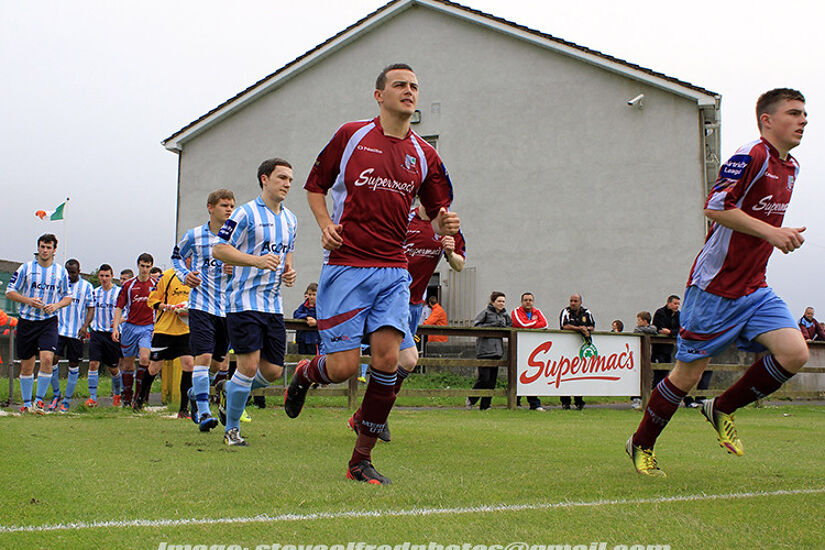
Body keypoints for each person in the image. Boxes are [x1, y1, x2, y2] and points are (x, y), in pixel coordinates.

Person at [285, 63, 459, 485]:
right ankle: (306, 372)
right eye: (400, 84)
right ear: (378, 95)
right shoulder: (351, 135)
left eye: (415, 86)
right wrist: (326, 224)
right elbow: (314, 186)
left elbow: (437, 216)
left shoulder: (425, 154)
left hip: (393, 270)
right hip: (346, 267)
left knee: (388, 359)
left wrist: (444, 227)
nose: (409, 91)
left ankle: (359, 460)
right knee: (343, 367)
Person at [627, 88, 810, 477]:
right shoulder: (751, 154)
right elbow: (715, 206)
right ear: (767, 120)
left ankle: (721, 407)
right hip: (714, 287)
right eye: (794, 113)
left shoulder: (791, 167)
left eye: (805, 114)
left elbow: (757, 223)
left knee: (795, 353)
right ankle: (640, 443)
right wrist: (772, 234)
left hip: (755, 287)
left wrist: (780, 233)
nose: (803, 120)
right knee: (687, 375)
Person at [348, 204, 465, 442]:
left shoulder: (447, 224)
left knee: (395, 363)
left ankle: (366, 416)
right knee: (408, 359)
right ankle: (371, 416)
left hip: (414, 305)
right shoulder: (402, 216)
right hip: (389, 300)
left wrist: (450, 253)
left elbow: (459, 265)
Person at [213, 157, 297, 446]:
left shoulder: (290, 218)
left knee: (272, 371)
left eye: (289, 179)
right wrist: (256, 261)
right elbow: (219, 249)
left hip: (273, 305)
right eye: (281, 178)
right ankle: (232, 431)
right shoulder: (244, 213)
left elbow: (286, 253)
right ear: (264, 179)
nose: (287, 184)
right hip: (244, 301)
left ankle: (229, 390)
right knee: (248, 366)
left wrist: (289, 271)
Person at [172, 188, 236, 431]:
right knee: (204, 357)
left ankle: (193, 392)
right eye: (224, 205)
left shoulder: (236, 237)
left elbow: (249, 264)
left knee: (219, 363)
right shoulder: (195, 235)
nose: (229, 209)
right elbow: (176, 257)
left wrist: (236, 269)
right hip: (201, 305)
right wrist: (186, 275)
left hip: (227, 308)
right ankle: (203, 410)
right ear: (210, 207)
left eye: (231, 205)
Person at [4, 234, 71, 413]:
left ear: (54, 250)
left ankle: (39, 401)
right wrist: (28, 300)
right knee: (27, 364)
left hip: (48, 322)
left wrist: (56, 305)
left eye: (48, 247)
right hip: (27, 321)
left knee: (47, 359)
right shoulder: (25, 268)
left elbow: (68, 296)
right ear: (38, 247)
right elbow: (9, 292)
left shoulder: (60, 271)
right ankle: (26, 404)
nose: (44, 250)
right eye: (42, 246)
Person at [133, 267, 194, 419]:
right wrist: (168, 307)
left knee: (189, 364)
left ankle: (183, 408)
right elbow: (152, 301)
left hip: (185, 329)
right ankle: (140, 399)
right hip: (165, 329)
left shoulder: (195, 276)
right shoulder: (167, 276)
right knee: (154, 367)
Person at [113, 253, 156, 407]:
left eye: (147, 266)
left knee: (145, 359)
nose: (144, 269)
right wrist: (115, 328)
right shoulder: (129, 285)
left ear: (151, 267)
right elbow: (119, 307)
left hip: (148, 327)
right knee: (127, 364)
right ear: (138, 265)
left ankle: (140, 397)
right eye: (142, 266)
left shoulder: (155, 284)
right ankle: (127, 397)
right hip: (130, 327)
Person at [51, 259, 94, 412]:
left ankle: (67, 401)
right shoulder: (60, 285)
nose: (70, 275)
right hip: (59, 330)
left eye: (73, 272)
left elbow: (90, 308)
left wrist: (85, 326)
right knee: (52, 359)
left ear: (79, 271)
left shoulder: (86, 287)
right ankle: (56, 395)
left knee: (73, 364)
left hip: (77, 332)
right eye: (67, 272)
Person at [85, 264, 123, 407]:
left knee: (113, 368)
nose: (104, 279)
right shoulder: (94, 293)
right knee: (93, 363)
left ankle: (117, 394)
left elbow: (125, 312)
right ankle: (93, 398)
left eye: (107, 276)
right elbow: (89, 310)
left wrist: (120, 322)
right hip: (97, 333)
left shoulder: (119, 292)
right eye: (101, 276)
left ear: (112, 276)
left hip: (112, 334)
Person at [467, 291, 510, 411]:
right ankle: (471, 398)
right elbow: (476, 326)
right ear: (493, 302)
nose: (501, 303)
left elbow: (510, 327)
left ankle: (485, 405)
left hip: (497, 351)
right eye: (499, 301)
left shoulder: (505, 315)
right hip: (484, 350)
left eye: (503, 301)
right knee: (484, 378)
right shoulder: (485, 313)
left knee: (492, 381)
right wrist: (491, 326)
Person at [511, 292, 548, 411]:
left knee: (532, 374)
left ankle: (534, 403)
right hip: (518, 347)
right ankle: (515, 402)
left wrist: (529, 324)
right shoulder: (516, 311)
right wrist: (535, 323)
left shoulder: (537, 311)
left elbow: (545, 324)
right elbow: (521, 324)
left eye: (530, 300)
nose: (528, 302)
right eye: (526, 300)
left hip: (533, 349)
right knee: (517, 374)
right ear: (522, 302)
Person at [559, 293, 595, 410]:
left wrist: (586, 329)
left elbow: (592, 326)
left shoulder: (587, 312)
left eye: (575, 301)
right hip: (565, 347)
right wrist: (579, 328)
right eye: (571, 301)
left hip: (580, 348)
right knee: (565, 374)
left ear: (580, 302)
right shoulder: (566, 312)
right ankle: (565, 402)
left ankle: (579, 401)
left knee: (579, 375)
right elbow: (564, 326)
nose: (573, 303)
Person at [651, 295, 681, 386]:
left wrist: (671, 332)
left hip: (669, 348)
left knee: (666, 371)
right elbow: (660, 329)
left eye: (678, 304)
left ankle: (660, 393)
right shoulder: (660, 313)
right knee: (659, 372)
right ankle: (654, 392)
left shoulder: (678, 315)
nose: (677, 306)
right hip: (659, 348)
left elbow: (681, 329)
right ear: (669, 303)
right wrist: (671, 332)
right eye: (675, 303)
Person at [293, 283, 321, 355]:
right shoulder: (304, 305)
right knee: (302, 359)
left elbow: (324, 319)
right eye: (310, 294)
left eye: (314, 294)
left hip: (315, 338)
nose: (311, 297)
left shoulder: (321, 307)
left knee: (314, 359)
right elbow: (296, 314)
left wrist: (316, 322)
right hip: (302, 338)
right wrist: (306, 316)